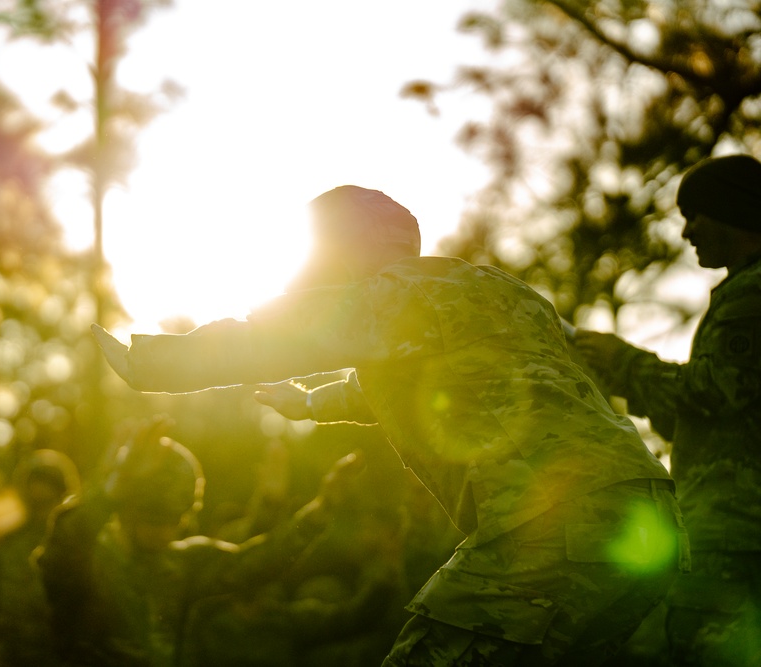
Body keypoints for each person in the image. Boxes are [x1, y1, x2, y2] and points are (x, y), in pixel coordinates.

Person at [93, 185, 690, 665]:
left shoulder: (391, 295)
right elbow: (416, 383)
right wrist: (309, 405)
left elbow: (271, 340)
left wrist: (150, 364)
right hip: (644, 519)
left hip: (553, 527)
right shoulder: (491, 290)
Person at [573, 154, 761, 666]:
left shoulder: (760, 290)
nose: (687, 230)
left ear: (731, 212)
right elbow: (717, 416)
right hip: (758, 537)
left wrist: (623, 362)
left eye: (697, 215)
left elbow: (711, 394)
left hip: (738, 539)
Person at [35, 416, 362, 667]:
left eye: (177, 519)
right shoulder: (88, 560)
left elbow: (259, 561)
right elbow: (62, 547)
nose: (168, 531)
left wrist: (323, 508)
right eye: (156, 519)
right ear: (129, 509)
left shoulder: (183, 563)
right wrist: (112, 488)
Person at [0, 449, 79, 667]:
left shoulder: (74, 547)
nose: (41, 491)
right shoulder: (4, 541)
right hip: (3, 653)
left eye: (50, 485)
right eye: (37, 482)